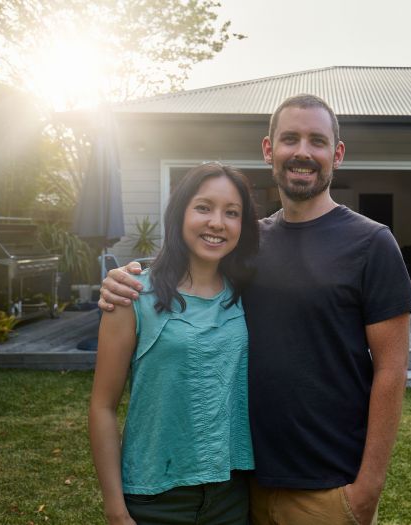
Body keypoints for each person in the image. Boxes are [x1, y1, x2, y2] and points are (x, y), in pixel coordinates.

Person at [99, 94, 411, 525]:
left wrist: (367, 488)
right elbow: (193, 267)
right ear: (269, 150)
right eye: (290, 139)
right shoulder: (248, 245)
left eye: (316, 141)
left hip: (328, 486)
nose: (302, 152)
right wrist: (125, 279)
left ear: (336, 154)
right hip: (246, 484)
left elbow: (392, 370)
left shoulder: (372, 243)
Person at [89, 162, 260, 525]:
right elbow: (103, 407)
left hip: (232, 495)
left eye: (232, 213)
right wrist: (116, 510)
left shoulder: (250, 295)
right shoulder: (132, 295)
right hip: (155, 498)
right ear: (179, 213)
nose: (217, 222)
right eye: (203, 207)